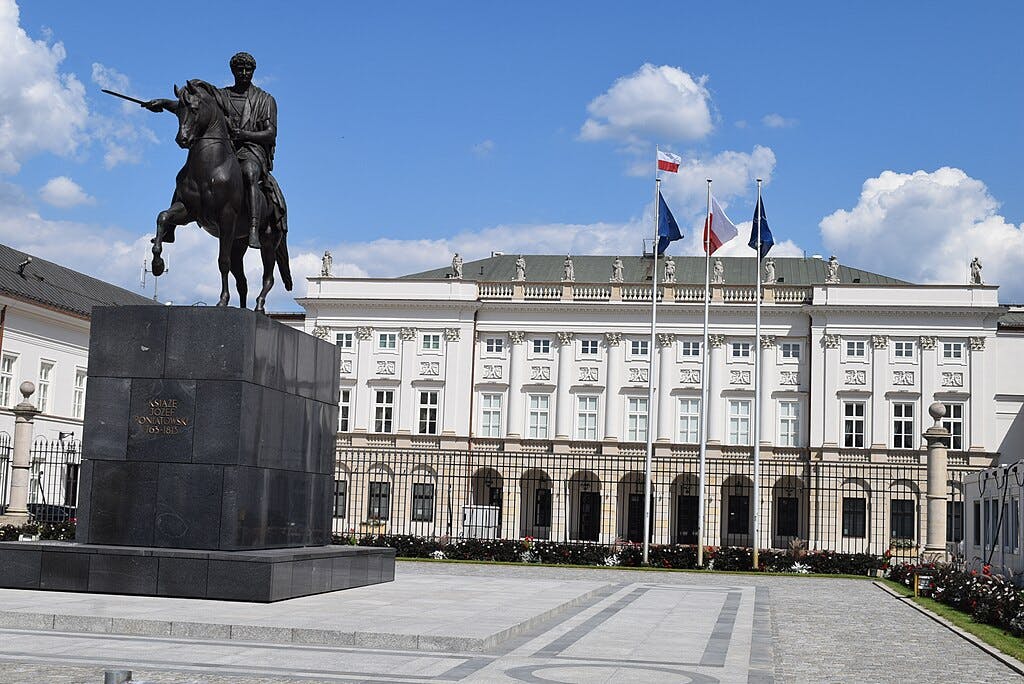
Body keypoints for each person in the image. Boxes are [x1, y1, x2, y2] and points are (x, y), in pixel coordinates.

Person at [144, 52, 287, 249]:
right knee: (188, 175)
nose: (244, 73)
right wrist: (163, 103)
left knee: (249, 172)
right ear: (232, 71)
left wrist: (244, 134)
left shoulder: (265, 100)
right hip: (224, 150)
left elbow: (270, 133)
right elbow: (191, 106)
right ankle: (170, 229)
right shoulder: (222, 96)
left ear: (254, 71)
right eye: (239, 69)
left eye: (248, 70)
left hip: (251, 151)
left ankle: (253, 229)